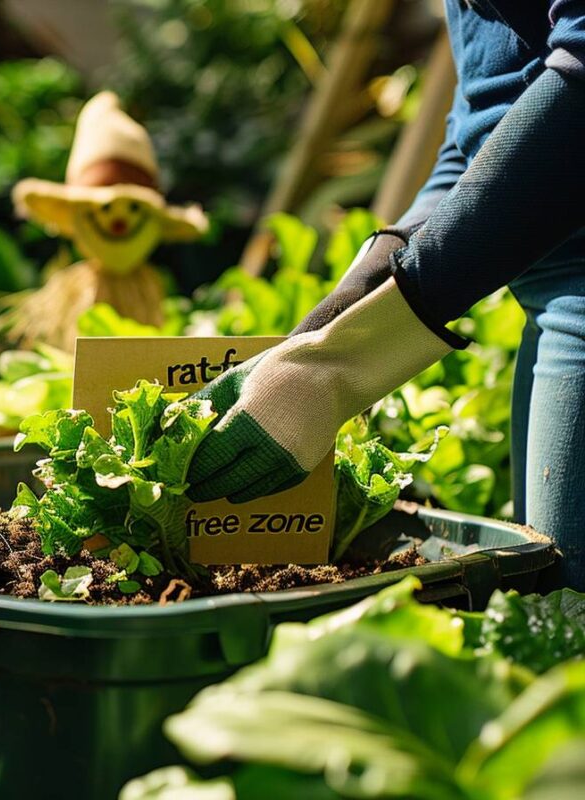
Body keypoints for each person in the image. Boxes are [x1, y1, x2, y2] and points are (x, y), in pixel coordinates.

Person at [185, 0, 585, 588]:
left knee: (570, 612)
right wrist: (364, 283)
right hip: (549, 293)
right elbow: (485, 113)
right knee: (551, 597)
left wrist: (345, 362)